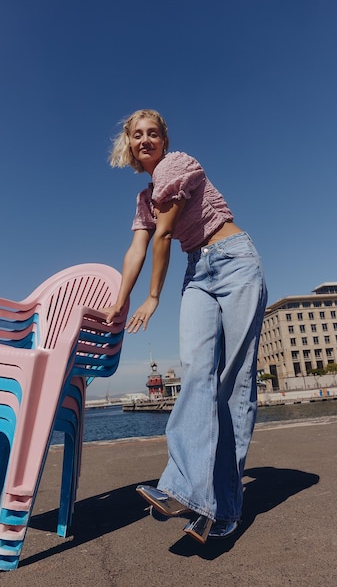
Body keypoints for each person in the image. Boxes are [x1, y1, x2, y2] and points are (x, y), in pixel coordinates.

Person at [103, 109, 267, 544]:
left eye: (152, 133)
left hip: (233, 260)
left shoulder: (178, 165)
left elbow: (163, 235)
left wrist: (152, 297)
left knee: (234, 384)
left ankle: (221, 508)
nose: (145, 140)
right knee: (196, 372)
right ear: (129, 143)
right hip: (198, 272)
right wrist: (119, 303)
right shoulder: (144, 198)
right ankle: (191, 492)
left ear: (164, 139)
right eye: (137, 135)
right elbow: (137, 248)